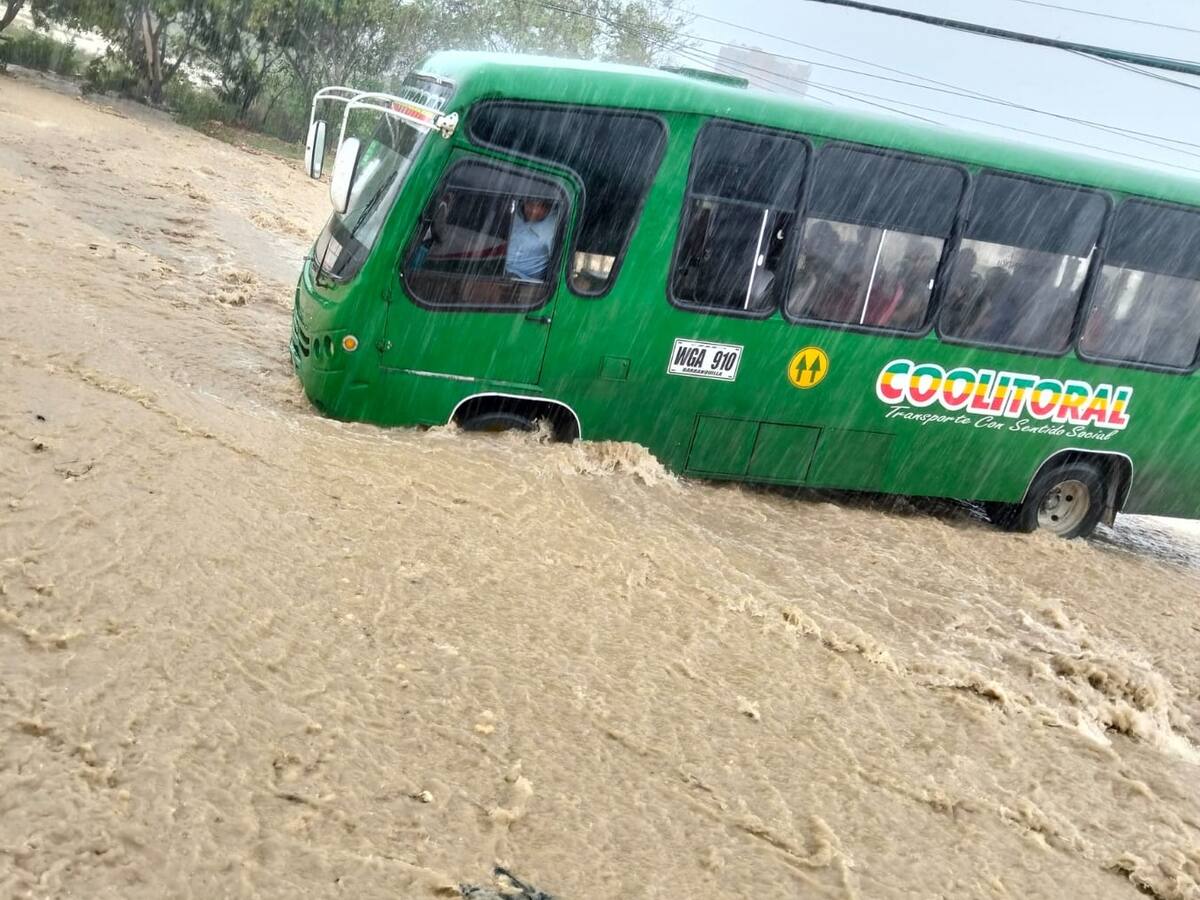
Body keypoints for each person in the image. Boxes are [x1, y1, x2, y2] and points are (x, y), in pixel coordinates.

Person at [505, 197, 559, 281]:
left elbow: (558, 264)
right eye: (531, 204)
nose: (535, 211)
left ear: (551, 206)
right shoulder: (512, 214)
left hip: (527, 282)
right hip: (499, 272)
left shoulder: (555, 226)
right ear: (524, 202)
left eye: (543, 206)